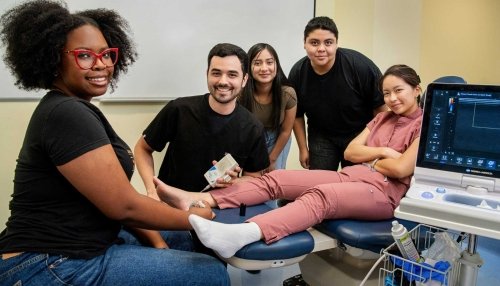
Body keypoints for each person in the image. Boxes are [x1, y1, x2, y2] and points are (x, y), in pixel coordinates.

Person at [0, 1, 228, 285]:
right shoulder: (66, 113)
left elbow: (116, 201)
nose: (101, 64)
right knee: (209, 272)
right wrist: (197, 216)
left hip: (79, 245)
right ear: (53, 59)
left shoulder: (76, 108)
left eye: (107, 54)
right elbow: (124, 206)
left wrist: (160, 245)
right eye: (84, 55)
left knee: (185, 241)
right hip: (47, 263)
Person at [154, 64, 423, 259]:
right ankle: (194, 198)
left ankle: (242, 234)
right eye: (386, 94)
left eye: (398, 91)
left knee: (321, 196)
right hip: (353, 175)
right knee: (278, 178)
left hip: (386, 194)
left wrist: (373, 158)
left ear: (417, 90)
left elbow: (401, 170)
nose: (391, 99)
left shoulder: (425, 125)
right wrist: (385, 154)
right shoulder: (381, 118)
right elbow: (351, 152)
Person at [134, 43, 269, 199]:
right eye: (216, 73)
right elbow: (142, 149)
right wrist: (152, 191)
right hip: (169, 205)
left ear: (244, 79)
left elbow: (254, 177)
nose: (223, 81)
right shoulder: (179, 109)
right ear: (207, 74)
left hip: (217, 209)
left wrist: (234, 183)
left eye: (232, 75)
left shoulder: (253, 127)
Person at [289, 16, 388, 171]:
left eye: (328, 42)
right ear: (304, 43)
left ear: (336, 43)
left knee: (355, 187)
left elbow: (381, 109)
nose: (321, 49)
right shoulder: (297, 72)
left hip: (359, 134)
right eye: (314, 42)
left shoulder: (360, 66)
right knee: (320, 185)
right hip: (321, 135)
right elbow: (297, 115)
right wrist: (303, 148)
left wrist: (375, 146)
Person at [239, 43, 297, 172]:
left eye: (269, 62)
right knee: (251, 181)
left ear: (276, 65)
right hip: (251, 139)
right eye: (258, 63)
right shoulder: (240, 94)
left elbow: (286, 131)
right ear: (249, 67)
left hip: (278, 138)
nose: (264, 68)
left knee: (274, 181)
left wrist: (272, 159)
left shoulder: (288, 94)